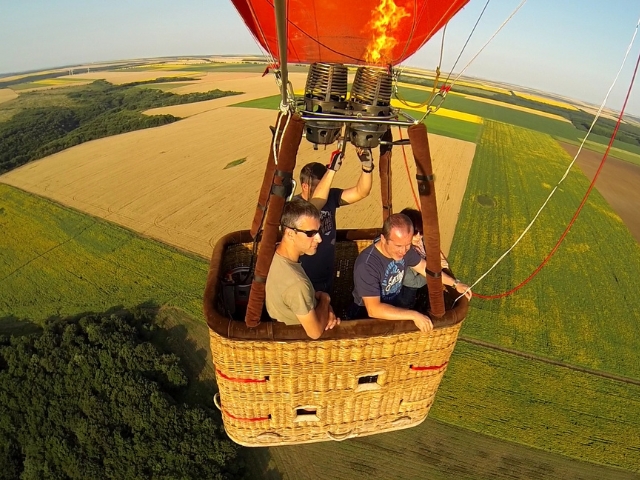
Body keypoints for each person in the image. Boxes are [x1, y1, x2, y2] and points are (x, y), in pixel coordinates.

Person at [348, 213, 472, 333]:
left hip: (392, 309)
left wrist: (455, 283)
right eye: (398, 246)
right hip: (364, 319)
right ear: (383, 239)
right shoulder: (367, 265)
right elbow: (373, 309)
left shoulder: (406, 251)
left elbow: (424, 267)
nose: (403, 251)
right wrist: (413, 315)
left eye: (407, 245)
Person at [294, 147, 374, 293]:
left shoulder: (330, 196)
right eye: (320, 184)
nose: (325, 188)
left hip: (327, 276)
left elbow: (361, 192)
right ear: (305, 186)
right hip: (303, 280)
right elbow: (312, 209)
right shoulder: (295, 207)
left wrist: (367, 167)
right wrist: (332, 170)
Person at [265, 198, 340, 339]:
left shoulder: (278, 258)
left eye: (318, 231)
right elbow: (315, 332)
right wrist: (325, 300)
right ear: (290, 234)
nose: (319, 239)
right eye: (310, 233)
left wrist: (324, 308)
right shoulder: (296, 284)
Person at [396, 208, 451, 309]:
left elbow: (430, 248)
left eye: (421, 232)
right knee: (407, 303)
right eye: (415, 233)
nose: (419, 237)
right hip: (407, 290)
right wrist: (435, 269)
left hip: (421, 280)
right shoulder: (402, 254)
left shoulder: (420, 240)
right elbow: (413, 282)